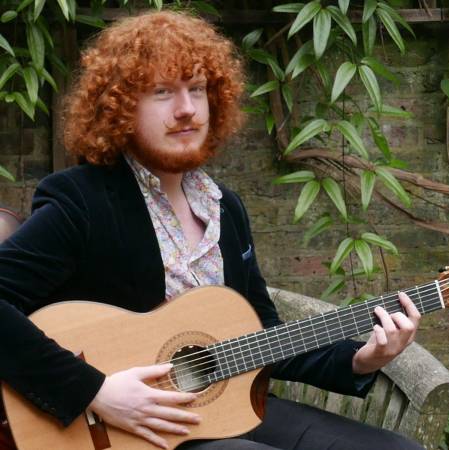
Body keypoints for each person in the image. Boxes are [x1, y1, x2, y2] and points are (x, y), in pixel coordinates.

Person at [0, 10, 424, 450]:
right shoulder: (82, 200)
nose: (186, 108)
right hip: (128, 433)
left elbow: (263, 334)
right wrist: (96, 391)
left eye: (197, 89)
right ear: (120, 108)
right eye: (162, 92)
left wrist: (361, 359)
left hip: (224, 415)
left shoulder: (224, 208)